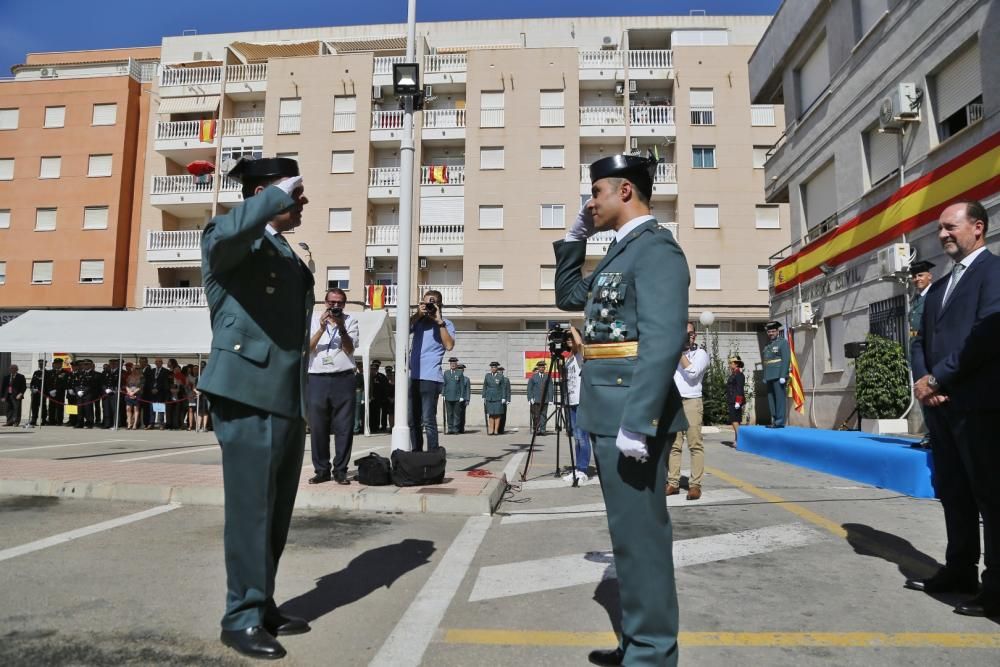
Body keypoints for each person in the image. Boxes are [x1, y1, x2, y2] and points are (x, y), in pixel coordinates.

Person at [554, 152, 688, 666]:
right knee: (627, 540)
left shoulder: (655, 250)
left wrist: (640, 419)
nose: (591, 203)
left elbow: (662, 340)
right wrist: (575, 237)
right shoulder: (621, 251)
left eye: (597, 194)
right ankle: (638, 642)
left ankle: (652, 654)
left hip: (631, 415)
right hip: (610, 412)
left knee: (643, 541)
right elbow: (570, 295)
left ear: (625, 192)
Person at [198, 156, 313, 658]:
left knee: (275, 513)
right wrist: (274, 196)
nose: (302, 202)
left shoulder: (284, 249)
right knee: (251, 512)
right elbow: (229, 233)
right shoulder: (229, 238)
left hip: (284, 392)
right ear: (266, 192)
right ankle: (239, 616)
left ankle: (261, 604)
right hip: (246, 389)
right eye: (296, 193)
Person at [908, 200, 1000, 618]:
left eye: (950, 227)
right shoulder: (940, 287)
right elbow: (919, 341)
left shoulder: (993, 273)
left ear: (977, 228)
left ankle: (995, 588)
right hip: (940, 408)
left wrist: (939, 378)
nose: (943, 234)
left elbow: (985, 338)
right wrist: (924, 381)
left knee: (990, 497)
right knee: (954, 493)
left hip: (978, 406)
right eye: (940, 228)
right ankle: (959, 569)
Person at [306, 288, 359, 485]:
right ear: (325, 302)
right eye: (332, 303)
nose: (335, 306)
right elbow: (308, 349)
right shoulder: (312, 320)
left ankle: (340, 470)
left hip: (343, 378)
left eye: (339, 303)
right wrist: (321, 328)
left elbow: (350, 348)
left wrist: (341, 326)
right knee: (318, 427)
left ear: (344, 304)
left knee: (344, 427)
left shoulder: (351, 320)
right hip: (317, 379)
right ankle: (321, 470)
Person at [667, 322, 710, 500]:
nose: (688, 337)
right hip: (674, 401)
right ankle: (673, 482)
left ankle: (695, 485)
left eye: (690, 334)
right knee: (674, 445)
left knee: (695, 444)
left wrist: (678, 352)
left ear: (695, 335)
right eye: (684, 334)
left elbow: (692, 374)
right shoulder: (673, 353)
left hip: (692, 401)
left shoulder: (700, 354)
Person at [408, 289, 455, 451]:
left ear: (439, 305)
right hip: (414, 377)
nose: (428, 307)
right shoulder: (418, 322)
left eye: (431, 304)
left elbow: (449, 346)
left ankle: (433, 454)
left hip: (431, 378)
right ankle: (416, 453)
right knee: (412, 420)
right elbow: (403, 328)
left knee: (428, 419)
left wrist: (439, 320)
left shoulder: (446, 324)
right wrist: (418, 314)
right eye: (425, 303)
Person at [908, 259, 935, 449]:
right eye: (914, 276)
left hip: (929, 350)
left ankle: (935, 434)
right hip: (917, 351)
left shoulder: (934, 296)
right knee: (921, 393)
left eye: (920, 275)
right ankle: (930, 433)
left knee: (931, 392)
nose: (917, 279)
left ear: (929, 276)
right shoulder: (916, 299)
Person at [564, 325, 591, 483]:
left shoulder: (581, 355)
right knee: (576, 437)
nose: (568, 340)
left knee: (582, 437)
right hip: (571, 401)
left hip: (582, 401)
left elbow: (580, 344)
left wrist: (572, 327)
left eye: (570, 338)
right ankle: (578, 468)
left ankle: (583, 470)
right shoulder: (569, 358)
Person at [762, 320, 790, 428]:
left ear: (778, 331)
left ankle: (780, 421)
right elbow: (766, 361)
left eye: (773, 331)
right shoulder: (768, 344)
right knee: (771, 399)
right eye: (769, 332)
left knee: (779, 399)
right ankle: (774, 419)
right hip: (769, 375)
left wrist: (783, 375)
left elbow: (786, 359)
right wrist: (765, 376)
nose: (771, 333)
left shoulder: (783, 343)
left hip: (778, 375)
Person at [527, 360, 554, 435]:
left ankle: (543, 430)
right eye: (540, 367)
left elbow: (550, 388)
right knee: (536, 415)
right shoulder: (533, 377)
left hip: (545, 399)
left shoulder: (548, 376)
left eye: (543, 367)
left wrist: (551, 399)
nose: (542, 368)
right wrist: (530, 398)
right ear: (538, 367)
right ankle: (536, 429)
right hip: (536, 399)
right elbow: (529, 388)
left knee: (544, 415)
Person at [443, 357, 466, 434]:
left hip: (457, 396)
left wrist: (462, 396)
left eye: (454, 363)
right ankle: (450, 429)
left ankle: (456, 429)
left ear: (456, 364)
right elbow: (444, 384)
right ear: (450, 364)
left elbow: (462, 385)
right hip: (448, 396)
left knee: (456, 414)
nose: (453, 365)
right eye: (451, 363)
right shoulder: (446, 373)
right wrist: (443, 394)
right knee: (449, 414)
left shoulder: (459, 373)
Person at [727, 356, 746, 444]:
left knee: (734, 420)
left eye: (731, 363)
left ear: (736, 364)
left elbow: (739, 389)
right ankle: (737, 439)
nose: (730, 364)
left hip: (736, 400)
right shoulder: (734, 374)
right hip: (732, 399)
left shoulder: (739, 375)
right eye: (730, 363)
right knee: (735, 420)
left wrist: (738, 401)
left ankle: (740, 440)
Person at [482, 362, 506, 435]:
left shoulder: (500, 376)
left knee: (497, 414)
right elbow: (485, 386)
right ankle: (491, 429)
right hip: (489, 397)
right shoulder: (487, 376)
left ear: (497, 368)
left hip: (498, 397)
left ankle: (496, 430)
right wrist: (484, 396)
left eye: (494, 367)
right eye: (492, 367)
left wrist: (503, 397)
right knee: (491, 414)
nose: (493, 369)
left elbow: (503, 388)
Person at [101, 359, 124, 429]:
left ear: (117, 364)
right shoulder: (105, 372)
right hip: (107, 392)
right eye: (111, 363)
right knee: (106, 408)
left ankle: (116, 423)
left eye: (114, 363)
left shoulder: (121, 372)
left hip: (115, 392)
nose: (112, 364)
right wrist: (105, 389)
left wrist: (114, 390)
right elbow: (102, 382)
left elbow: (122, 383)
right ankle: (107, 424)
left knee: (115, 409)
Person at [368, 360, 387, 433]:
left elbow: (384, 387)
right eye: (372, 368)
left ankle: (376, 427)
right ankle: (370, 426)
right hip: (369, 398)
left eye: (375, 368)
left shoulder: (381, 376)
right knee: (370, 413)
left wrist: (383, 398)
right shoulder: (368, 376)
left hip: (378, 398)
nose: (373, 369)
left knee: (377, 413)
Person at [124, 363, 144, 430]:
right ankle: (129, 424)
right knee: (128, 409)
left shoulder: (141, 377)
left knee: (136, 409)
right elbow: (126, 385)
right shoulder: (129, 376)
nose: (135, 370)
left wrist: (133, 393)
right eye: (134, 368)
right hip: (129, 393)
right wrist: (129, 392)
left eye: (137, 368)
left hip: (137, 394)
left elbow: (140, 386)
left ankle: (135, 424)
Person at [46, 359, 66, 426]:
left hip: (60, 393)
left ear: (61, 364)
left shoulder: (65, 372)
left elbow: (64, 383)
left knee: (60, 407)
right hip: (51, 393)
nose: (56, 365)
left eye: (58, 364)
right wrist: (50, 390)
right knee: (51, 406)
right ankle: (51, 420)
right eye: (55, 363)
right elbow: (47, 382)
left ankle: (59, 421)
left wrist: (56, 390)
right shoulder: (49, 372)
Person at [29, 360, 47, 427]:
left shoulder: (47, 373)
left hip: (43, 393)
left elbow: (48, 383)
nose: (41, 365)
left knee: (43, 407)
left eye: (42, 364)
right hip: (35, 393)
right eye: (40, 364)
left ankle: (44, 420)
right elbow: (32, 382)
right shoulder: (36, 372)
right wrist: (32, 388)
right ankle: (34, 419)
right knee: (34, 407)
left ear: (45, 365)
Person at [457, 364, 471, 433]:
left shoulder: (466, 379)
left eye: (461, 369)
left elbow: (468, 390)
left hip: (463, 399)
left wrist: (467, 399)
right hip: (454, 398)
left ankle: (461, 428)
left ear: (463, 370)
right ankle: (455, 428)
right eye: (459, 369)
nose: (460, 370)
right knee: (455, 414)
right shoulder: (454, 377)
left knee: (462, 414)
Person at [497, 366, 511, 434]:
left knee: (503, 415)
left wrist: (508, 399)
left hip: (503, 400)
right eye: (499, 371)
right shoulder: (494, 378)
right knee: (496, 415)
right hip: (496, 399)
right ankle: (496, 429)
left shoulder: (506, 380)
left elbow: (508, 390)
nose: (500, 372)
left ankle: (501, 429)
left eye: (501, 371)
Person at [353, 361, 365, 435]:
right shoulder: (347, 375)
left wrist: (362, 398)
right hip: (349, 395)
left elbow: (363, 387)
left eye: (354, 366)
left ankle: (356, 429)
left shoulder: (360, 376)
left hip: (358, 395)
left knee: (357, 414)